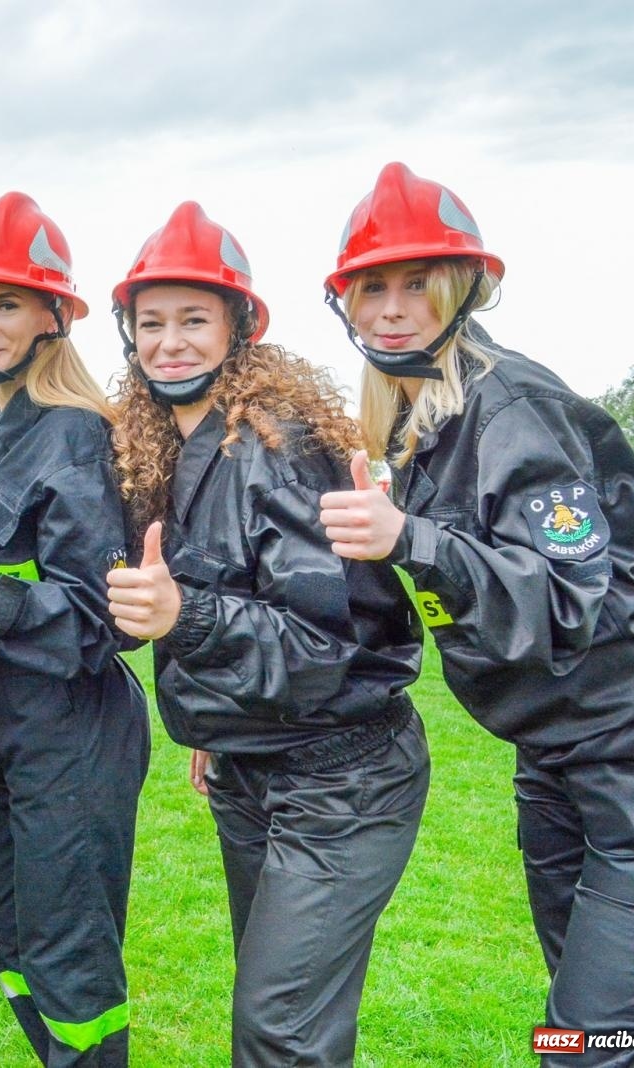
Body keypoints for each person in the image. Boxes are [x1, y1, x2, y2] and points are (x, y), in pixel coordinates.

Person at [317, 162, 634, 1066]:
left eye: (418, 283)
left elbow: (565, 597)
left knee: (587, 1045)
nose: (393, 308)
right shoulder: (420, 421)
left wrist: (411, 538)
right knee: (626, 1040)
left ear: (463, 288)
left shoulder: (509, 403)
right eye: (373, 287)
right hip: (559, 753)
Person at [103, 202, 430, 1065]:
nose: (170, 342)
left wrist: (187, 618)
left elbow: (325, 647)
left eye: (194, 320)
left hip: (343, 778)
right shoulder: (165, 449)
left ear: (240, 327)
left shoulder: (272, 446)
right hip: (254, 767)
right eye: (151, 322)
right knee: (291, 1017)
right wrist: (218, 720)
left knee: (279, 1029)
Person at [0, 192, 148, 1066]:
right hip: (18, 724)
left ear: (56, 313)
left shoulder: (74, 436)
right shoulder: (2, 430)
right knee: (8, 934)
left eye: (5, 303)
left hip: (78, 732)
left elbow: (105, 620)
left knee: (69, 965)